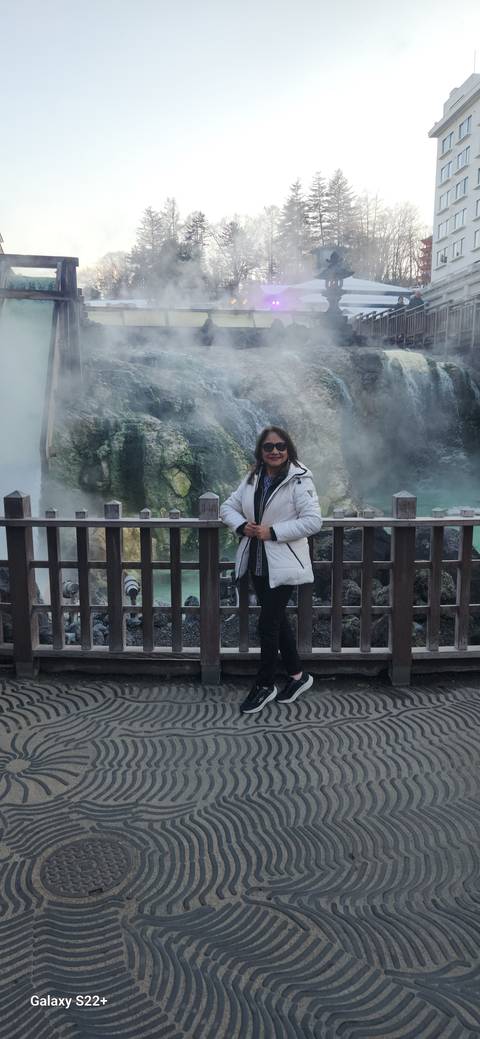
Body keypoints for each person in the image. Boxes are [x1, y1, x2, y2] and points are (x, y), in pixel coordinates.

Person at [220, 426, 322, 714]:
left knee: (267, 625)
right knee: (276, 621)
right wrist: (243, 526)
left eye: (280, 446)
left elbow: (314, 521)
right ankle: (298, 676)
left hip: (283, 562)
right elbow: (228, 506)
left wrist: (272, 532)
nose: (275, 451)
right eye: (268, 447)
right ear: (261, 451)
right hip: (258, 562)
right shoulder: (254, 476)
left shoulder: (299, 480)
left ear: (288, 449)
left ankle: (264, 685)